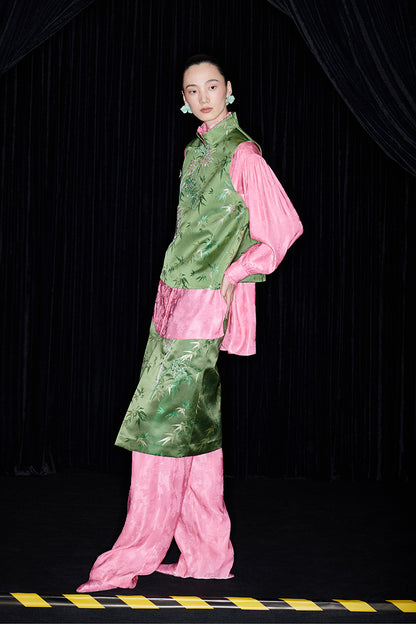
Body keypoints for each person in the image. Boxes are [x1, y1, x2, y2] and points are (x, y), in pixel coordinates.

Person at [76, 53, 303, 593]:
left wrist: (235, 272)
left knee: (157, 425)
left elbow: (283, 227)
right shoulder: (196, 149)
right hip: (172, 298)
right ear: (184, 98)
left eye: (211, 86)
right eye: (192, 90)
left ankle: (132, 555)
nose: (203, 97)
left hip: (201, 304)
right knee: (193, 426)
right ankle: (207, 555)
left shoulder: (243, 154)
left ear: (229, 89)